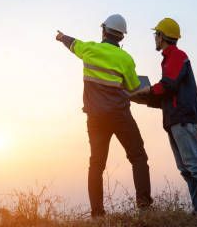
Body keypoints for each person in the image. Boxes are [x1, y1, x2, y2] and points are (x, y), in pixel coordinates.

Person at [55, 14, 152, 217]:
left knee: (97, 164)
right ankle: (144, 206)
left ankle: (97, 214)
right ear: (121, 37)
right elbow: (134, 88)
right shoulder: (126, 59)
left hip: (95, 119)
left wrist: (62, 37)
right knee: (138, 157)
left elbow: (73, 44)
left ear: (103, 31)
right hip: (120, 115)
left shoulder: (89, 49)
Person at [133, 17, 197, 219]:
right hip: (175, 120)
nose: (154, 38)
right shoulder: (168, 58)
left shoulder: (177, 55)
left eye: (156, 34)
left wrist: (148, 89)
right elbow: (168, 95)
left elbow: (168, 85)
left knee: (195, 165)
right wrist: (144, 99)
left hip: (183, 119)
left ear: (162, 36)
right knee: (185, 169)